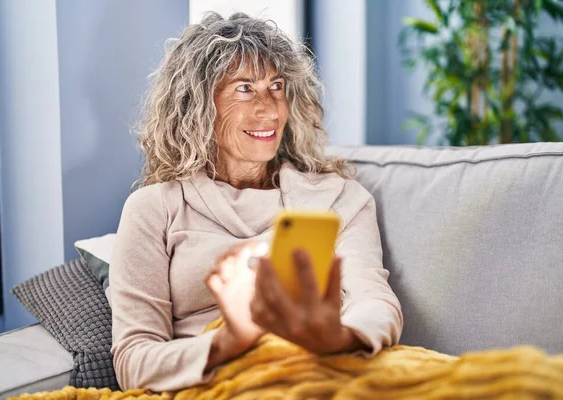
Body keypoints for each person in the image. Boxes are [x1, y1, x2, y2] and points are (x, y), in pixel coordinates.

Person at [110, 12, 403, 392]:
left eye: (277, 86)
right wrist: (231, 339)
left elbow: (376, 302)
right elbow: (134, 360)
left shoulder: (339, 198)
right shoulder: (155, 208)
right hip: (219, 381)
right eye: (245, 88)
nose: (270, 107)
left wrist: (337, 337)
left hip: (326, 366)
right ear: (198, 104)